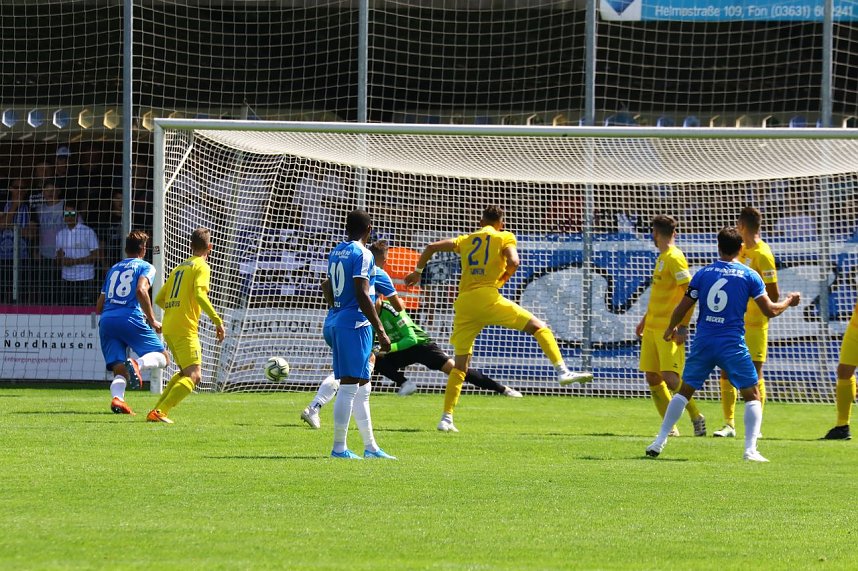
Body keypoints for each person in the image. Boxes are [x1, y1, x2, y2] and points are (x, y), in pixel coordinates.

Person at [404, 206, 592, 433]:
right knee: (538, 327)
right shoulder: (505, 236)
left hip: (464, 303)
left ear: (480, 219)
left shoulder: (467, 238)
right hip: (487, 297)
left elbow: (432, 246)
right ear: (500, 223)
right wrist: (503, 279)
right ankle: (562, 371)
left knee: (460, 365)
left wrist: (418, 272)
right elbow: (514, 261)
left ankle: (446, 418)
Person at [645, 227, 800, 462]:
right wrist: (789, 300)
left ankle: (659, 441)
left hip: (704, 341)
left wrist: (671, 328)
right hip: (731, 343)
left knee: (684, 391)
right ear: (740, 249)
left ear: (718, 246)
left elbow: (683, 307)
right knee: (752, 394)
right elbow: (770, 310)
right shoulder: (749, 275)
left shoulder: (703, 274)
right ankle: (750, 450)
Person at [301, 298, 522, 429]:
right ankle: (404, 383)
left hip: (420, 346)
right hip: (397, 350)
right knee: (373, 359)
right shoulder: (364, 315)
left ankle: (502, 388)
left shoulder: (388, 308)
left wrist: (387, 348)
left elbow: (411, 338)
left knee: (457, 370)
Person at [322, 210, 395, 459]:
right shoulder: (362, 253)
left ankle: (371, 447)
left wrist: (335, 308)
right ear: (369, 229)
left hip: (342, 321)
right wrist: (381, 329)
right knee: (350, 386)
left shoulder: (336, 251)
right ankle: (339, 448)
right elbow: (363, 293)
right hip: (356, 325)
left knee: (363, 387)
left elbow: (327, 285)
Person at [635, 215, 707, 438]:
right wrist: (645, 321)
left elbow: (691, 293)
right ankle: (670, 428)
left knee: (671, 377)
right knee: (652, 377)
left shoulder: (675, 257)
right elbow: (660, 295)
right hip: (652, 328)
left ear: (655, 233)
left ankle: (696, 417)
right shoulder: (663, 257)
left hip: (668, 329)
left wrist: (683, 326)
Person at [149, 227, 225, 423]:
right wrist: (217, 320)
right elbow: (200, 295)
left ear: (190, 246)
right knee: (194, 375)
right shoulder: (201, 266)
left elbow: (159, 298)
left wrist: (176, 308)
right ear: (210, 247)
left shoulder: (179, 268)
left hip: (170, 325)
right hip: (184, 327)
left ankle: (157, 410)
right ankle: (161, 412)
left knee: (184, 372)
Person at [715, 207, 779, 438]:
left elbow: (773, 293)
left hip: (755, 325)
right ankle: (729, 424)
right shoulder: (739, 252)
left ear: (742, 226)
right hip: (733, 323)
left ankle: (757, 427)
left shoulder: (763, 254)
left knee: (754, 374)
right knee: (725, 371)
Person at [96, 230, 170, 415]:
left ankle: (118, 399)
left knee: (120, 369)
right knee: (163, 357)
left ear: (125, 248)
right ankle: (138, 364)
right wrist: (153, 320)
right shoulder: (146, 267)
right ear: (143, 249)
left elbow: (99, 305)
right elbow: (141, 290)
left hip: (107, 320)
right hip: (129, 317)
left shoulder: (114, 269)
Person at [54, 201, 100, 306]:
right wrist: (61, 259)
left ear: (77, 214)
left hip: (85, 278)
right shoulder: (60, 234)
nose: (69, 217)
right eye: (66, 214)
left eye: (72, 214)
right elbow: (58, 255)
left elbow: (96, 255)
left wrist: (74, 261)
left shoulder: (87, 232)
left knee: (85, 310)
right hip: (66, 279)